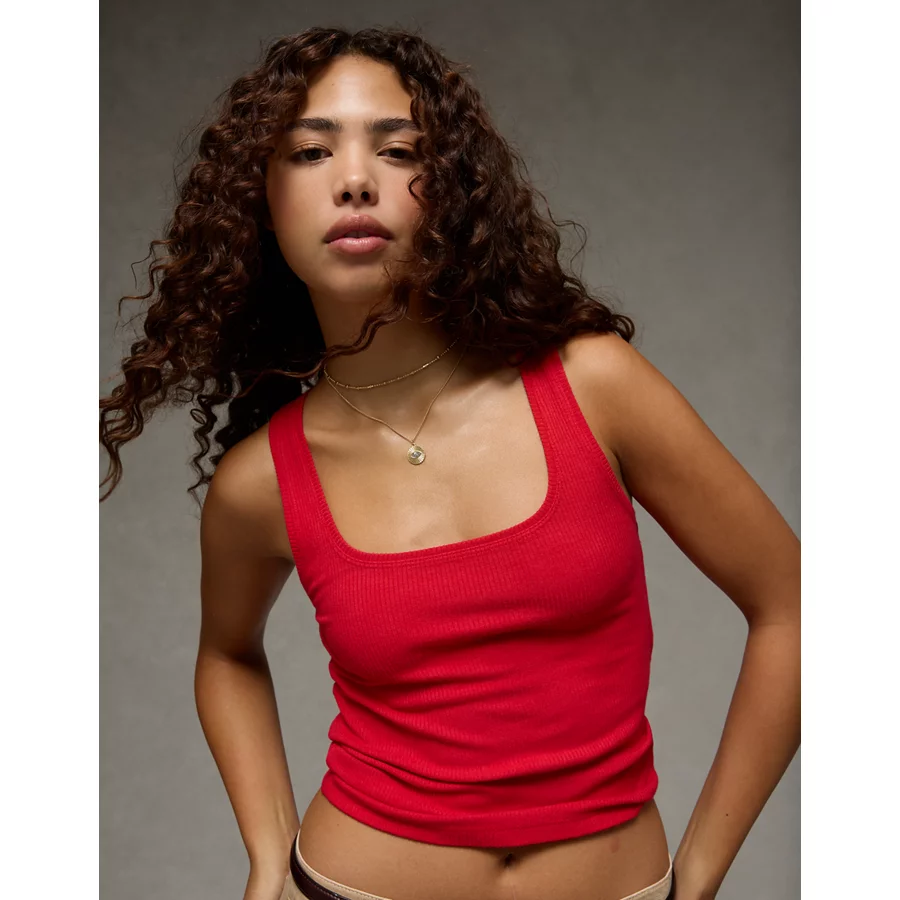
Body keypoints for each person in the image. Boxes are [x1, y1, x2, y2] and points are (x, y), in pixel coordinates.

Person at [99, 25, 801, 900]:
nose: (355, 179)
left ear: (453, 193)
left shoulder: (592, 385)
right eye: (311, 151)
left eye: (398, 150)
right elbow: (227, 655)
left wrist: (698, 875)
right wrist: (268, 851)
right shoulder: (261, 483)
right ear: (261, 203)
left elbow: (795, 604)